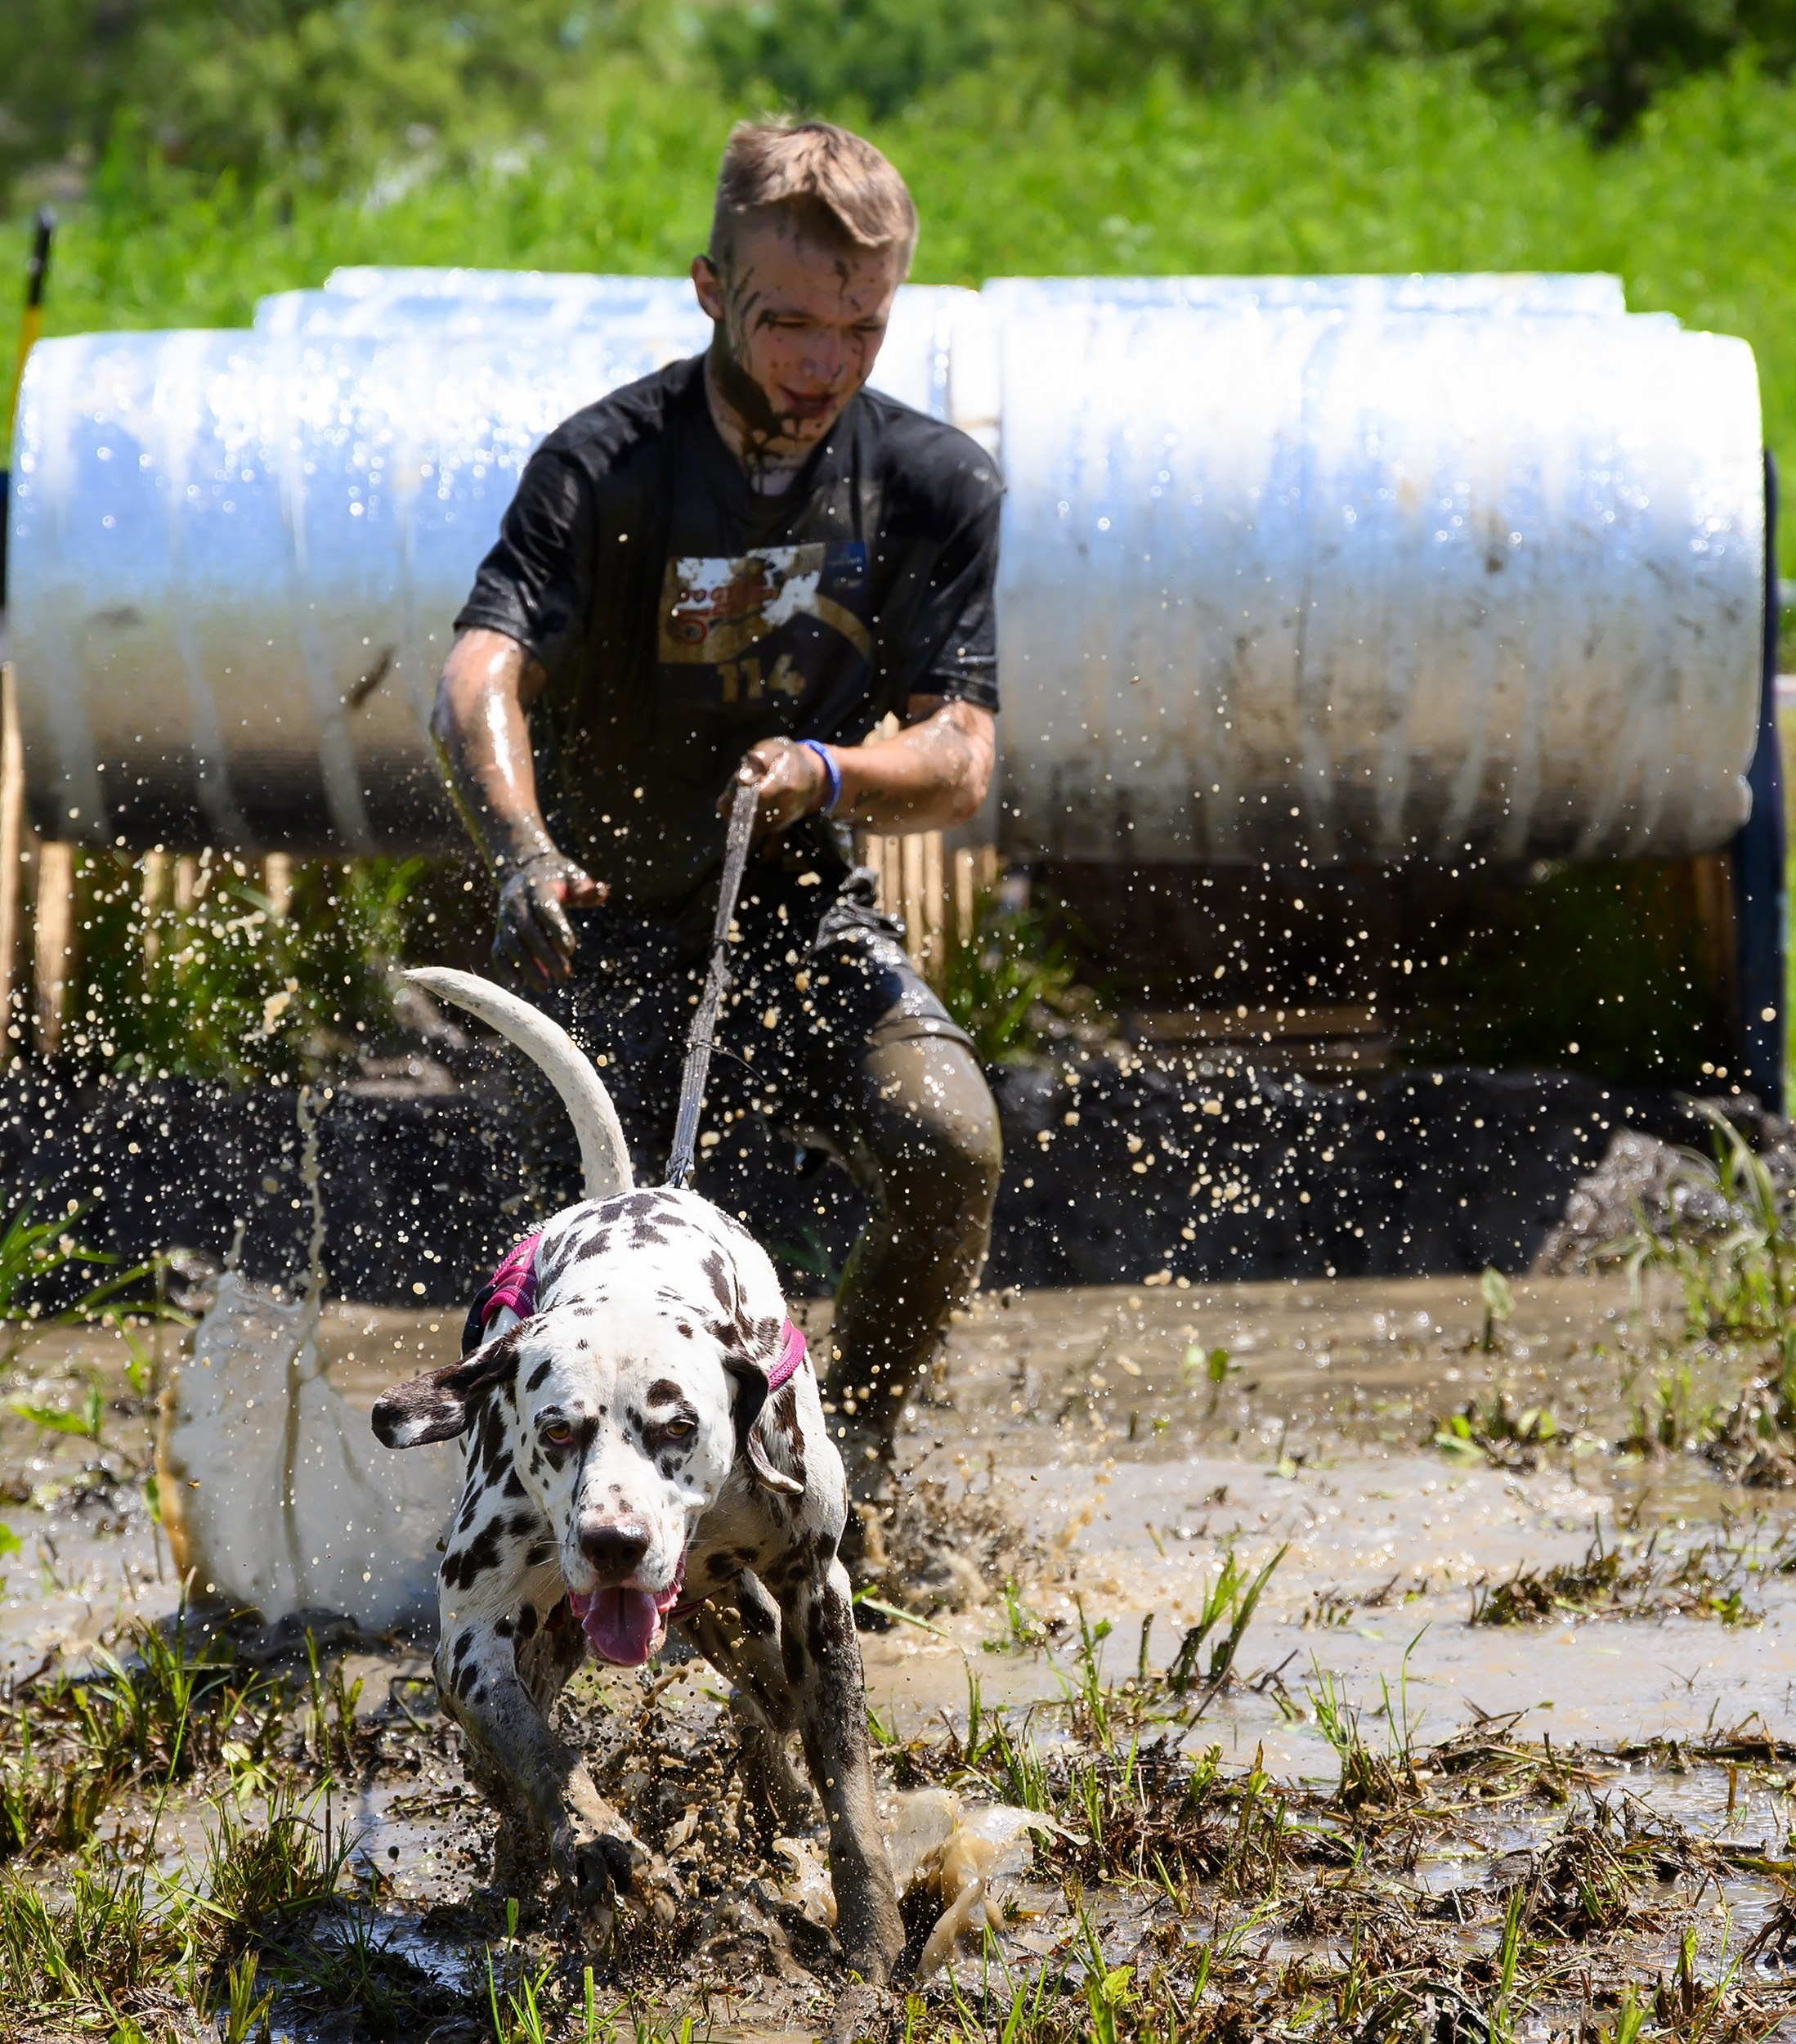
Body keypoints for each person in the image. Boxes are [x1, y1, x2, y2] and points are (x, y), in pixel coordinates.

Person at [432, 118, 1003, 1581]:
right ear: (709, 292)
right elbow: (480, 671)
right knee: (565, 1275)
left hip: (802, 922)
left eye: (860, 327)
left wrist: (830, 768)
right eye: (788, 323)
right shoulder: (607, 466)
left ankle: (839, 1458)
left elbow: (956, 756)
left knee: (950, 1138)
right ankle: (504, 1547)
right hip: (601, 929)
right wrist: (517, 845)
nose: (824, 363)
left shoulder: (930, 484)